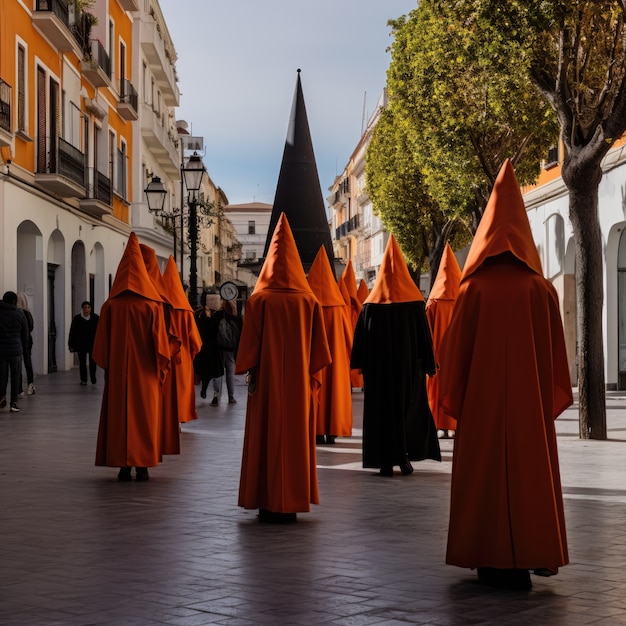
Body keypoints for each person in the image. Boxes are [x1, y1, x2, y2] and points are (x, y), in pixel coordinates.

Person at [439, 160, 572, 591]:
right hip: (529, 409)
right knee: (529, 470)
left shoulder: (472, 290)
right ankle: (529, 553)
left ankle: (486, 555)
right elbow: (555, 357)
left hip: (481, 408)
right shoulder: (541, 289)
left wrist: (457, 396)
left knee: (482, 473)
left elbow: (453, 355)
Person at [236, 213, 331, 523]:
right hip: (299, 384)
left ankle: (266, 501)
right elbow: (320, 354)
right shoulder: (309, 302)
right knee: (294, 439)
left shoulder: (258, 301)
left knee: (266, 437)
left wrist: (250, 368)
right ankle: (291, 502)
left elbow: (248, 350)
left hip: (265, 386)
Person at [351, 235, 441, 477]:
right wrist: (430, 365)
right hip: (408, 369)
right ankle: (404, 457)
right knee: (407, 410)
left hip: (378, 372)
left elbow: (360, 338)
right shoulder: (414, 305)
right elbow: (425, 337)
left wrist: (359, 364)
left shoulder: (369, 306)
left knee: (381, 413)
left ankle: (384, 461)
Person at [93, 232, 171, 482]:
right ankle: (143, 464)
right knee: (144, 415)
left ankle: (122, 465)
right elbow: (161, 346)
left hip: (118, 373)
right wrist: (160, 368)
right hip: (146, 373)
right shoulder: (152, 306)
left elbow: (100, 349)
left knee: (119, 415)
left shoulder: (110, 306)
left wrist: (114, 362)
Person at [307, 245, 353, 445]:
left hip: (312, 360)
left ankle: (316, 429)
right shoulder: (338, 307)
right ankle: (332, 430)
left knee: (316, 391)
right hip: (335, 360)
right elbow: (348, 336)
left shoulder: (306, 304)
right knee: (333, 392)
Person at [425, 243, 461, 438]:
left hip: (437, 355)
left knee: (438, 389)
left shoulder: (433, 301)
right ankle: (454, 423)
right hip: (458, 354)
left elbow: (427, 331)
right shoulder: (464, 297)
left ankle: (439, 424)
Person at [0, 291, 29, 412]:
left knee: (2, 376)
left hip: (0, 350)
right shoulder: (19, 314)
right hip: (16, 350)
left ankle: (1, 397)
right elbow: (25, 333)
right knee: (16, 376)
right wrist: (24, 347)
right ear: (14, 301)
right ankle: (13, 402)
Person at [193, 293, 224, 401]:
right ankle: (216, 395)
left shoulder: (198, 314)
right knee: (216, 373)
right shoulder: (219, 316)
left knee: (205, 372)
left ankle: (205, 390)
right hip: (215, 348)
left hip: (203, 347)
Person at [212, 297, 242, 405]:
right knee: (230, 372)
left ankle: (216, 396)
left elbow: (211, 332)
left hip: (218, 348)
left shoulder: (217, 316)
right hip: (231, 349)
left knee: (218, 372)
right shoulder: (236, 318)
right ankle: (231, 397)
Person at [68, 301, 100, 385]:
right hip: (81, 344)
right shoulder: (77, 319)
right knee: (82, 362)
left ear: (91, 309)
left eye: (88, 308)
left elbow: (100, 331)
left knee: (93, 361)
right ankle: (83, 379)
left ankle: (93, 377)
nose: (87, 309)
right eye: (85, 308)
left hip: (92, 344)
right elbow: (72, 332)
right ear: (82, 309)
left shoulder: (95, 318)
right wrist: (71, 344)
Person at [16, 292, 35, 396]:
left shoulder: (16, 312)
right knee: (28, 363)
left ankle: (19, 389)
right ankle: (30, 384)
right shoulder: (27, 313)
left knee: (17, 364)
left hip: (17, 341)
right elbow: (31, 327)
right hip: (27, 341)